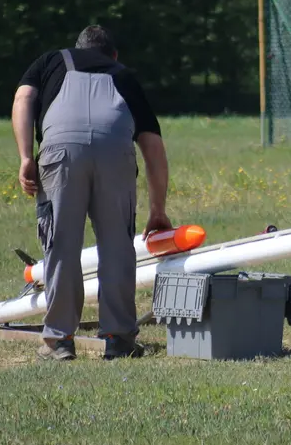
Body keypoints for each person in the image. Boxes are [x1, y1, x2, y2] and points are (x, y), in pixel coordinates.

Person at [11, 25, 172, 361]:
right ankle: (119, 339)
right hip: (116, 150)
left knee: (62, 246)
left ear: (78, 48)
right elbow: (152, 145)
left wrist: (26, 156)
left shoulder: (50, 61)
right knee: (117, 246)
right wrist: (158, 209)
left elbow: (24, 97)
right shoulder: (123, 75)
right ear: (112, 55)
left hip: (61, 150)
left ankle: (59, 341)